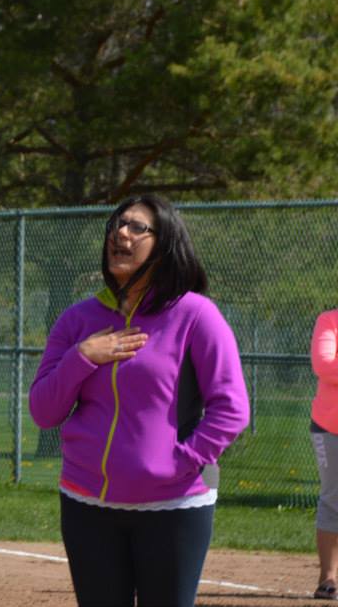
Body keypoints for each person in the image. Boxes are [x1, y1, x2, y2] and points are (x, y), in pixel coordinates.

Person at [28, 194, 249, 607]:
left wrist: (179, 462)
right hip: (85, 503)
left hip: (174, 506)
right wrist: (83, 357)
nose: (120, 233)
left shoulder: (196, 315)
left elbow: (231, 408)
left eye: (136, 227)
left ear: (164, 245)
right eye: (116, 224)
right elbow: (43, 411)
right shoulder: (77, 320)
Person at [310, 309, 338, 599]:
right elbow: (325, 365)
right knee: (334, 498)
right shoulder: (329, 321)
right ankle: (328, 577)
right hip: (331, 427)